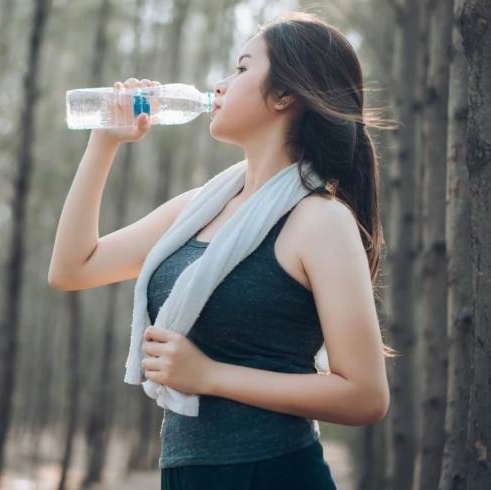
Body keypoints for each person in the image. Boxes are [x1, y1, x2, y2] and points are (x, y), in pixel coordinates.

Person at [49, 9, 394, 490]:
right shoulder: (200, 207)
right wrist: (103, 143)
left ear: (284, 94)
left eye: (241, 68)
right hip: (185, 473)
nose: (220, 84)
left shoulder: (319, 220)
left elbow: (364, 396)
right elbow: (72, 267)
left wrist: (209, 375)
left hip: (272, 473)